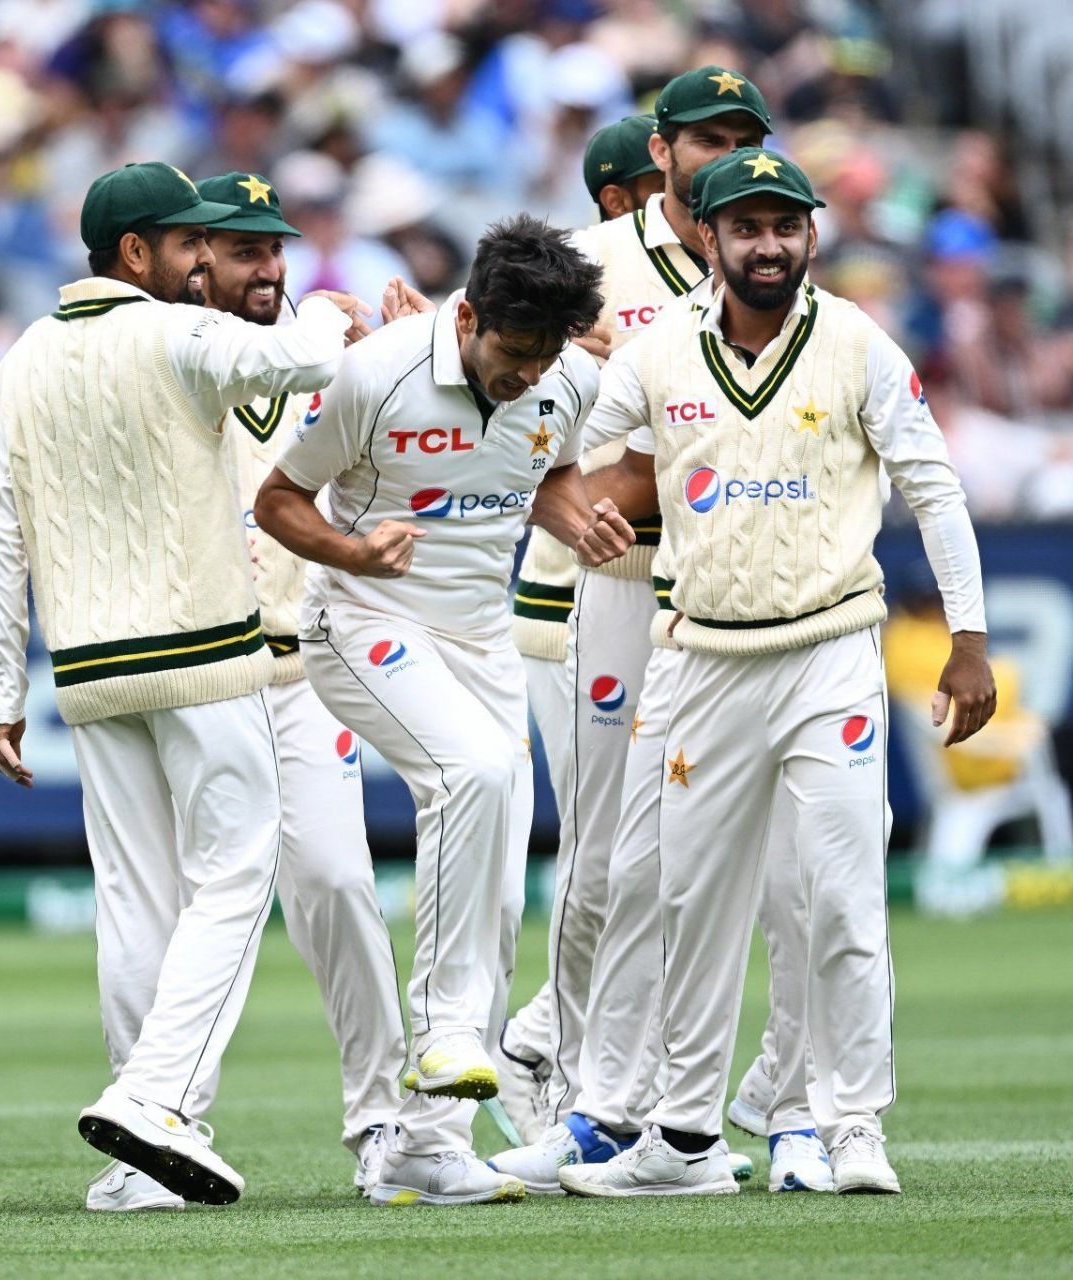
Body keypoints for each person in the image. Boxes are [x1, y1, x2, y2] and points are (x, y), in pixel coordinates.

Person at [559, 148, 993, 1198]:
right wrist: (562, 499)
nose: (768, 244)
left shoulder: (856, 342)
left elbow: (932, 484)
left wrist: (969, 640)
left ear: (811, 235)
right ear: (706, 235)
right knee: (691, 903)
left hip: (830, 650)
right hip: (701, 656)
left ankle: (851, 1126)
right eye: (746, 227)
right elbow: (559, 450)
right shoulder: (654, 355)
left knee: (842, 898)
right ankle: (688, 1139)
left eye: (785, 226)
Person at [0, 162, 367, 1208]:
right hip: (202, 649)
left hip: (90, 672)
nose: (207, 256)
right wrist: (330, 306)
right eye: (188, 242)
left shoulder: (20, 358)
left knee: (135, 897)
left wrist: (4, 689)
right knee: (236, 875)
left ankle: (137, 1162)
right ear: (135, 253)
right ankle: (157, 1096)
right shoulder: (172, 331)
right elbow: (296, 351)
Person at [255, 214, 629, 1208]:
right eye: (511, 354)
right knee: (474, 773)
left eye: (543, 357)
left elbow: (543, 469)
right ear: (467, 317)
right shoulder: (376, 373)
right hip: (361, 619)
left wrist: (574, 511)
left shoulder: (567, 380)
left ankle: (424, 1145)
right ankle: (447, 1033)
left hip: (478, 637)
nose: (524, 376)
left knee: (502, 881)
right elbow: (277, 501)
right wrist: (350, 551)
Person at [492, 66, 787, 1191]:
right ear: (657, 154)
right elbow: (506, 398)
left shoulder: (771, 259)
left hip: (731, 589)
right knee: (608, 852)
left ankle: (661, 1095)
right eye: (704, 137)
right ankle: (569, 1068)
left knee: (710, 860)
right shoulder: (591, 262)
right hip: (604, 584)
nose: (722, 155)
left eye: (741, 137)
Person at [155, 168, 401, 1203]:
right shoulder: (158, 349)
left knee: (340, 883)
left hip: (297, 668)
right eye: (244, 249)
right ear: (194, 255)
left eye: (275, 249)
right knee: (172, 912)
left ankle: (385, 1117)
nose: (268, 268)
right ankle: (164, 1124)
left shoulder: (330, 350)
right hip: (191, 673)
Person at [499, 117, 666, 1135]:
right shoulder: (579, 273)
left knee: (662, 853)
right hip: (568, 602)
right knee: (605, 852)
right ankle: (545, 1044)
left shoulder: (708, 277)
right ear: (617, 194)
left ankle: (606, 1071)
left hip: (663, 591)